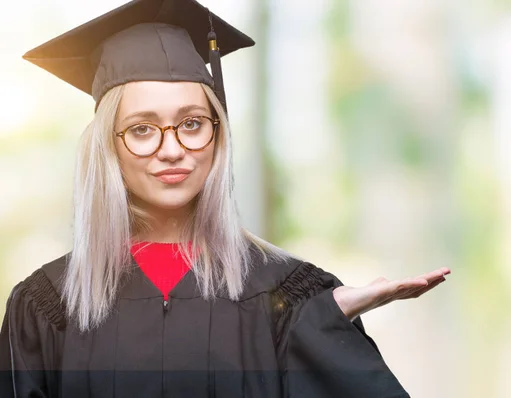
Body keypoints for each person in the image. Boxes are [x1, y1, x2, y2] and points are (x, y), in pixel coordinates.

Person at [0, 0, 451, 397]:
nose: (172, 148)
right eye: (141, 129)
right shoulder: (48, 306)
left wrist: (320, 328)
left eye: (193, 122)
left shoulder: (286, 296)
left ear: (218, 135)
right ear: (107, 146)